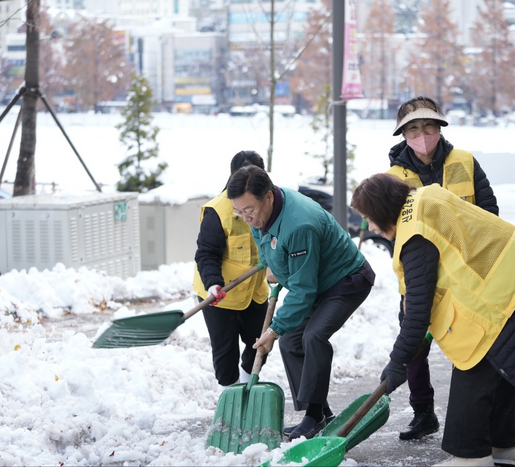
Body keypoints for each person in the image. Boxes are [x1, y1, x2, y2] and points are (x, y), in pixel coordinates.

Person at [351, 173, 515, 467]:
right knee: (502, 375)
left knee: (473, 373)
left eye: (369, 217)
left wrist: (399, 361)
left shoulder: (413, 235)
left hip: (503, 298)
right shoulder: (427, 199)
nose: (370, 226)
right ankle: (501, 451)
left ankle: (470, 456)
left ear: (382, 209)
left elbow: (419, 309)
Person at [226, 165, 375, 441]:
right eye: (239, 212)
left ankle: (313, 415)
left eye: (249, 210)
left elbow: (303, 289)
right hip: (316, 282)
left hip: (346, 280)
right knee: (291, 341)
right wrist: (273, 265)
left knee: (314, 336)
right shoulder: (263, 215)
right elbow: (269, 244)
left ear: (269, 197)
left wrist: (273, 329)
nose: (246, 218)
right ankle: (318, 412)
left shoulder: (299, 224)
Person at [387, 96, 499, 441]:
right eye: (414, 128)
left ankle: (474, 414)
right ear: (404, 134)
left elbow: (490, 213)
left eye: (428, 126)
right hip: (423, 278)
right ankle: (424, 413)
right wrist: (408, 288)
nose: (422, 134)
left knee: (472, 345)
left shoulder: (465, 161)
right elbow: (394, 234)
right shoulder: (394, 178)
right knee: (416, 348)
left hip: (468, 274)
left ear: (439, 127)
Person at [192, 151, 269, 387]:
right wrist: (213, 283)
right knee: (225, 350)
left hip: (255, 290)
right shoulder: (218, 211)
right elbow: (206, 253)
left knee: (261, 342)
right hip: (220, 292)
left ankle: (247, 383)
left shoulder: (269, 203)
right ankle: (229, 395)